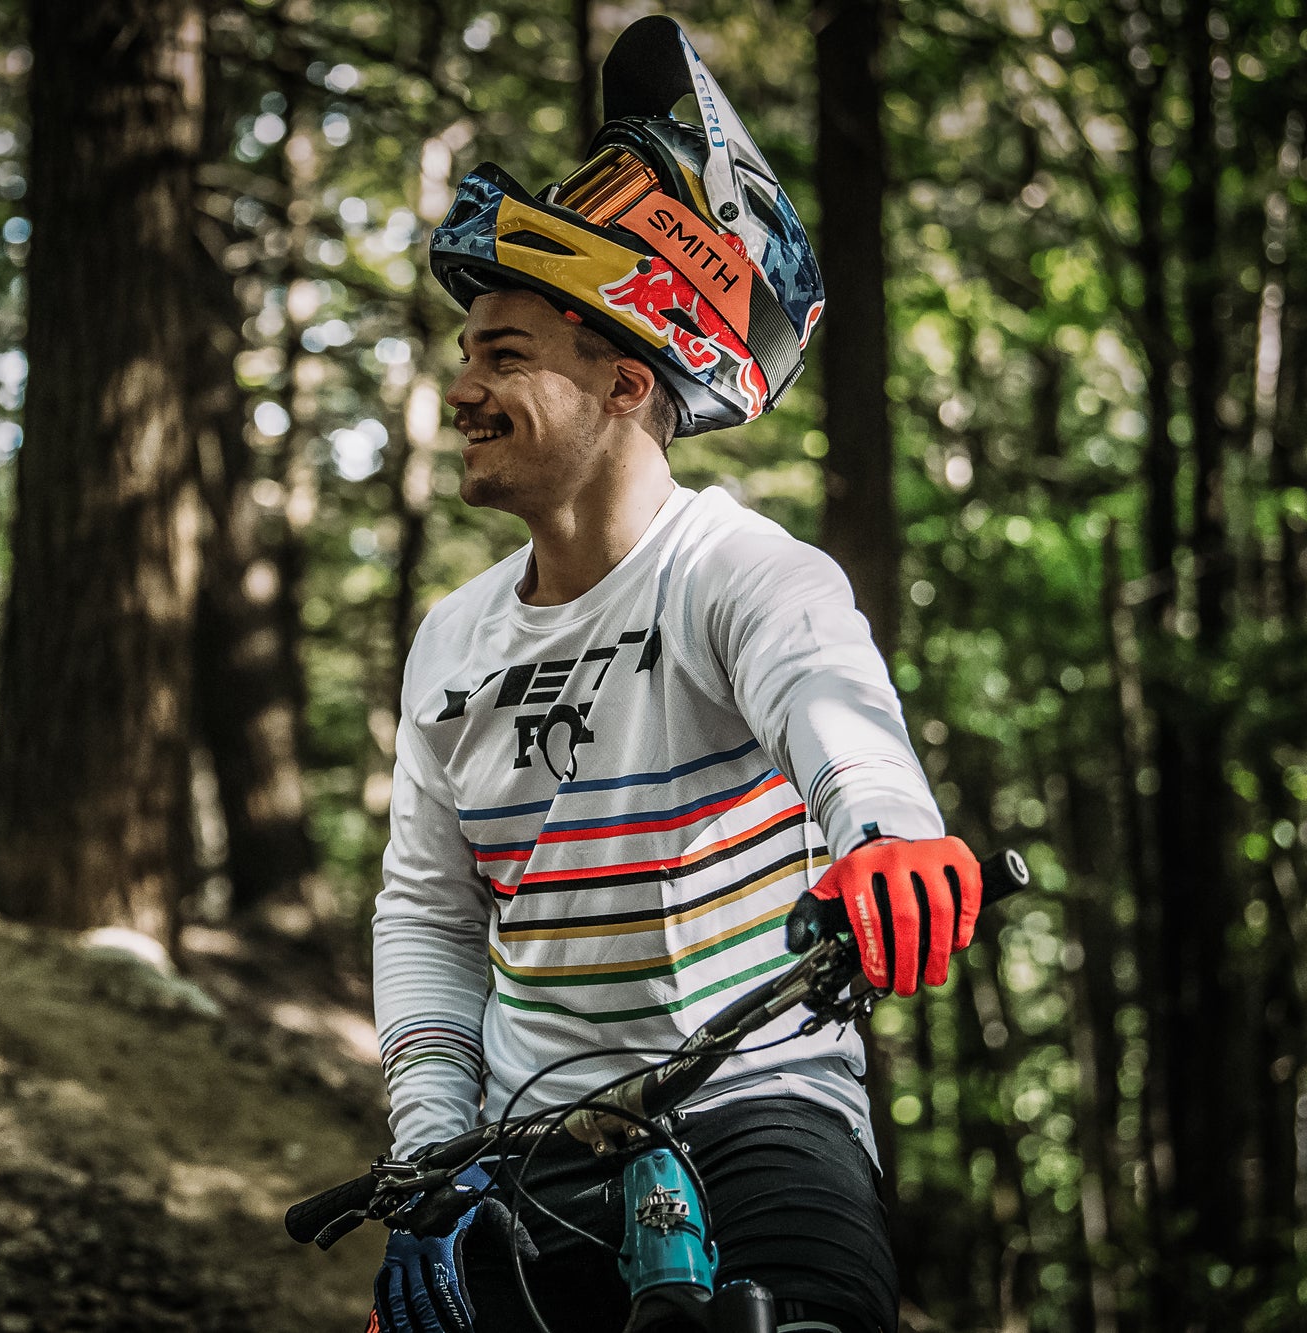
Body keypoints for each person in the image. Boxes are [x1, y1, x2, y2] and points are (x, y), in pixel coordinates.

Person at [368, 16, 979, 1333]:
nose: (461, 385)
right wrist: (431, 1149)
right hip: (521, 1146)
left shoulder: (743, 571)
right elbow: (426, 912)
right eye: (466, 352)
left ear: (626, 383)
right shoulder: (450, 643)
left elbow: (835, 707)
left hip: (760, 1107)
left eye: (503, 354)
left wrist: (888, 837)